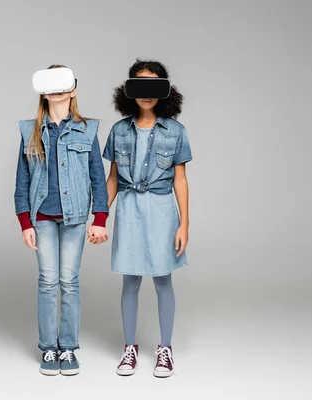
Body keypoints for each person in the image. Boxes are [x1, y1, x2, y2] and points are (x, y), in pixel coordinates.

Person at [14, 65, 110, 376]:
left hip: (75, 218)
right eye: (50, 85)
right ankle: (48, 349)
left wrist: (100, 219)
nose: (56, 90)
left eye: (62, 84)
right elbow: (22, 181)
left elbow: (98, 177)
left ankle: (68, 348)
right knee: (47, 282)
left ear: (73, 89)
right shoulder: (30, 131)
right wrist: (25, 223)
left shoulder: (88, 130)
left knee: (69, 282)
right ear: (43, 91)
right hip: (41, 217)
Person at [102, 59, 192, 377]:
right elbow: (112, 178)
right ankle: (130, 348)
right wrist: (100, 216)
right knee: (130, 279)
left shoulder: (176, 131)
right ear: (129, 91)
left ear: (165, 91)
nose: (146, 94)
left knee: (163, 279)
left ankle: (164, 348)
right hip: (128, 208)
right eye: (140, 85)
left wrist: (185, 223)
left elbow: (180, 179)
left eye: (153, 86)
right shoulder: (118, 131)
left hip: (162, 209)